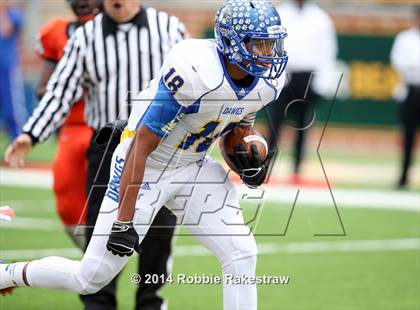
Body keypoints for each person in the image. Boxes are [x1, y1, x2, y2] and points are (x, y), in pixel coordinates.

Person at [1, 0, 288, 308]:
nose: (268, 53)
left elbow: (237, 127)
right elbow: (141, 143)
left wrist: (248, 156)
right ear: (231, 41)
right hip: (146, 163)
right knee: (90, 277)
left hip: (192, 164)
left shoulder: (269, 81)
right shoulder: (195, 71)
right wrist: (124, 221)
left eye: (271, 44)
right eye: (259, 44)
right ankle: (8, 273)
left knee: (242, 253)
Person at [4, 0, 187, 309]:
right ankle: (99, 304)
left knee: (158, 237)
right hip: (108, 150)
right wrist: (30, 134)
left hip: (160, 153)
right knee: (100, 241)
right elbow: (60, 92)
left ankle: (150, 302)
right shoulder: (85, 37)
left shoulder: (169, 29)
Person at [34, 0, 100, 249]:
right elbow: (42, 89)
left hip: (113, 126)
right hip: (73, 126)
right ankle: (95, 259)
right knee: (68, 203)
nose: (83, 3)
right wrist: (69, 85)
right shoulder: (57, 32)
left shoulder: (123, 32)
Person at [267, 0, 337, 180]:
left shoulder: (320, 18)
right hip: (284, 73)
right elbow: (271, 46)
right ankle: (265, 165)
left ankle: (297, 168)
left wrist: (322, 82)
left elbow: (327, 52)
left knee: (302, 124)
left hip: (308, 76)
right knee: (274, 122)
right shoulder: (279, 14)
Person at [390, 5, 420, 189]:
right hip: (411, 90)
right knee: (408, 135)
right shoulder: (405, 38)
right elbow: (400, 63)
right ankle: (403, 176)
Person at [0, 0, 26, 140]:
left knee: (12, 111)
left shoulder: (14, 15)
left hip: (7, 68)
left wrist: (2, 8)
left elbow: (5, 30)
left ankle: (17, 142)